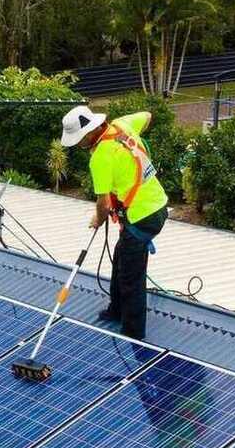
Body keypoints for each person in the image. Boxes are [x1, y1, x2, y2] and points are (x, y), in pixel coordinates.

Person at [59, 104, 168, 340]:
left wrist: (97, 219)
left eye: (78, 140)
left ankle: (133, 333)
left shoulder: (100, 158)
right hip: (156, 204)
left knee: (131, 277)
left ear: (88, 134)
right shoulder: (122, 125)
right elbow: (147, 116)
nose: (78, 145)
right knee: (121, 256)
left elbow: (104, 204)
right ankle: (116, 310)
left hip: (142, 216)